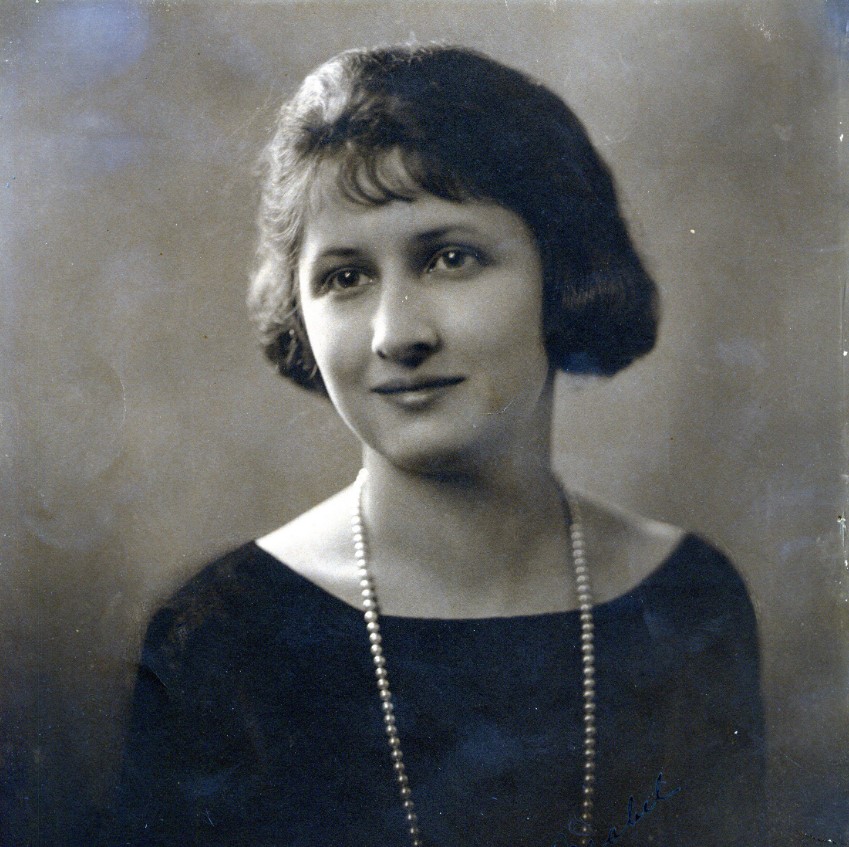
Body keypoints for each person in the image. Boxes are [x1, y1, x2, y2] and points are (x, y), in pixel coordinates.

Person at [104, 44, 765, 847]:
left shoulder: (687, 599)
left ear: (560, 277)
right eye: (345, 277)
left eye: (450, 258)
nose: (396, 335)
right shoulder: (220, 636)